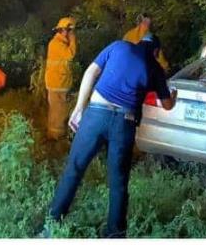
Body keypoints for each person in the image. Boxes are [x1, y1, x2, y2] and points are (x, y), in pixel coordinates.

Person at [44, 33, 176, 238]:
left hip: (96, 114)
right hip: (125, 122)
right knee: (119, 183)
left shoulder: (118, 46)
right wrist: (173, 94)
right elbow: (167, 105)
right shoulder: (155, 68)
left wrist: (79, 107)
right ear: (156, 52)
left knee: (74, 169)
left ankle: (51, 228)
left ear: (138, 42)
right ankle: (115, 236)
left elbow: (90, 72)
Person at [45, 17, 77, 140]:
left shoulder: (60, 43)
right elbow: (70, 55)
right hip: (57, 83)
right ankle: (56, 138)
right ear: (65, 30)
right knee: (58, 111)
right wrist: (73, 40)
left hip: (59, 82)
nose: (72, 34)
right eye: (71, 31)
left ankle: (55, 135)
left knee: (58, 110)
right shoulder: (56, 44)